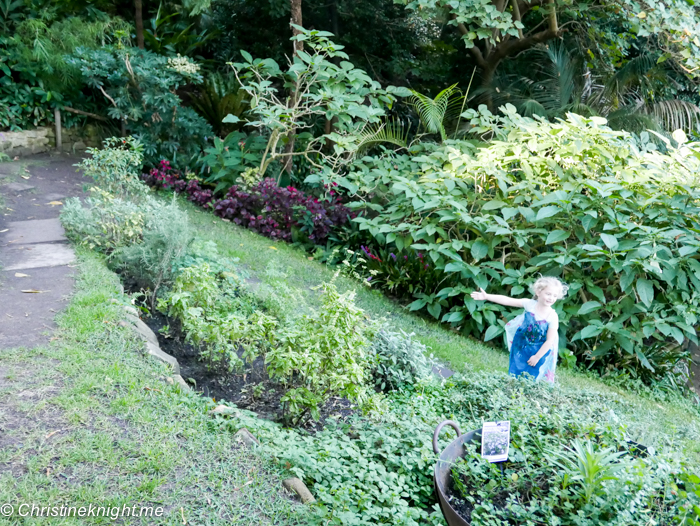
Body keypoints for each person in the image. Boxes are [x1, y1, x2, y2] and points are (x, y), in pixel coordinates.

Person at [470, 276, 568, 383]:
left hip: (539, 348)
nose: (551, 298)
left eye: (555, 295)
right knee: (516, 367)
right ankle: (512, 387)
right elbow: (508, 300)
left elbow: (550, 341)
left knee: (532, 374)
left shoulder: (552, 316)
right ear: (538, 292)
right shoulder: (530, 304)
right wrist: (487, 296)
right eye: (548, 294)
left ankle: (526, 392)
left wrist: (537, 356)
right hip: (521, 343)